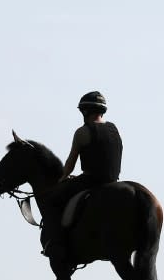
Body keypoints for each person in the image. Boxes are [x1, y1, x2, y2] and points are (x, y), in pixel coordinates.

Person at [40, 91, 123, 259]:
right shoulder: (114, 129)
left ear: (85, 111)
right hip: (113, 180)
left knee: (52, 200)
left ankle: (56, 243)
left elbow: (70, 165)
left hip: (92, 180)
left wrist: (62, 179)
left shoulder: (82, 132)